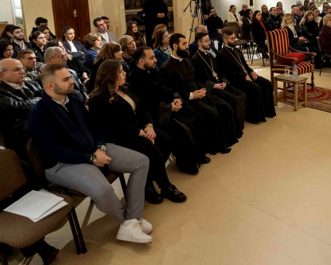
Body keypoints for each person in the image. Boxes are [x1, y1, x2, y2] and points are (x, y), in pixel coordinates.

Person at [28, 65, 153, 244]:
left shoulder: (74, 99)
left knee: (141, 161)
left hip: (92, 150)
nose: (72, 81)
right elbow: (52, 151)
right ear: (50, 86)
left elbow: (95, 126)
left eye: (70, 77)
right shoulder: (39, 113)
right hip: (62, 163)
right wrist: (91, 159)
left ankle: (132, 219)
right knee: (102, 190)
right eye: (65, 79)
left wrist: (101, 147)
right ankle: (127, 222)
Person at [88, 60, 187, 205]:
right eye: (120, 71)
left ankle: (146, 182)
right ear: (110, 75)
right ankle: (166, 186)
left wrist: (149, 125)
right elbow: (112, 126)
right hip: (121, 136)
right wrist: (140, 132)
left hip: (140, 127)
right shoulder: (98, 99)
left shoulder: (126, 87)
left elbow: (143, 108)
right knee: (153, 151)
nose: (125, 73)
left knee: (167, 141)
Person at [129, 47, 207, 174]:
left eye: (154, 57)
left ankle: (198, 155)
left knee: (196, 115)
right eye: (151, 58)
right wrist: (169, 107)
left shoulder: (153, 71)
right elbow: (144, 104)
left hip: (168, 105)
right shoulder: (134, 79)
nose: (155, 60)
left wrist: (176, 98)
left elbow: (166, 88)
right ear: (142, 62)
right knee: (182, 130)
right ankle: (186, 164)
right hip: (156, 115)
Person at [161, 34, 236, 152]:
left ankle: (225, 140)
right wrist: (192, 95)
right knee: (212, 114)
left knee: (224, 107)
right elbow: (173, 91)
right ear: (175, 46)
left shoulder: (186, 60)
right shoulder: (166, 67)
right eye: (184, 44)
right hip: (187, 99)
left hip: (200, 93)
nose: (187, 46)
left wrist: (203, 89)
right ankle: (215, 147)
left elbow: (196, 78)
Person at [0, 58, 41, 163]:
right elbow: (20, 108)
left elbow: (49, 99)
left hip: (31, 126)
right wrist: (39, 100)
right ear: (3, 75)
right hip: (15, 136)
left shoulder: (31, 85)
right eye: (16, 69)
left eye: (22, 68)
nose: (23, 72)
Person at [192, 32, 246, 136]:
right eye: (206, 41)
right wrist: (214, 85)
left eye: (209, 40)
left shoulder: (210, 56)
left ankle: (238, 128)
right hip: (212, 90)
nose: (209, 43)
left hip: (220, 85)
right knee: (233, 101)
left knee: (242, 96)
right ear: (199, 43)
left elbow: (219, 72)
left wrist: (223, 81)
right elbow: (199, 80)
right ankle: (232, 132)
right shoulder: (195, 59)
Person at [216, 30, 277, 121]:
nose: (235, 40)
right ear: (225, 40)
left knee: (267, 83)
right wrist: (243, 76)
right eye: (232, 38)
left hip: (246, 74)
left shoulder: (237, 50)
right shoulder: (221, 54)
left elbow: (245, 66)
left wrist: (251, 71)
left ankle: (268, 111)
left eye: (235, 37)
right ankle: (256, 117)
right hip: (236, 79)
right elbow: (228, 73)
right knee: (255, 88)